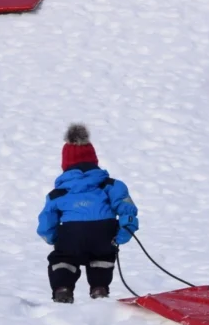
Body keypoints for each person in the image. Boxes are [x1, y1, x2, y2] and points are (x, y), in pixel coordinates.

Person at [37, 124, 139, 303]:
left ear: (65, 165)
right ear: (94, 161)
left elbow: (47, 221)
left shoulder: (58, 193)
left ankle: (63, 289)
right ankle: (99, 289)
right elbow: (127, 210)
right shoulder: (110, 185)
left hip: (71, 234)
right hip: (103, 232)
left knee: (63, 258)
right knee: (102, 256)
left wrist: (53, 238)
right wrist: (124, 233)